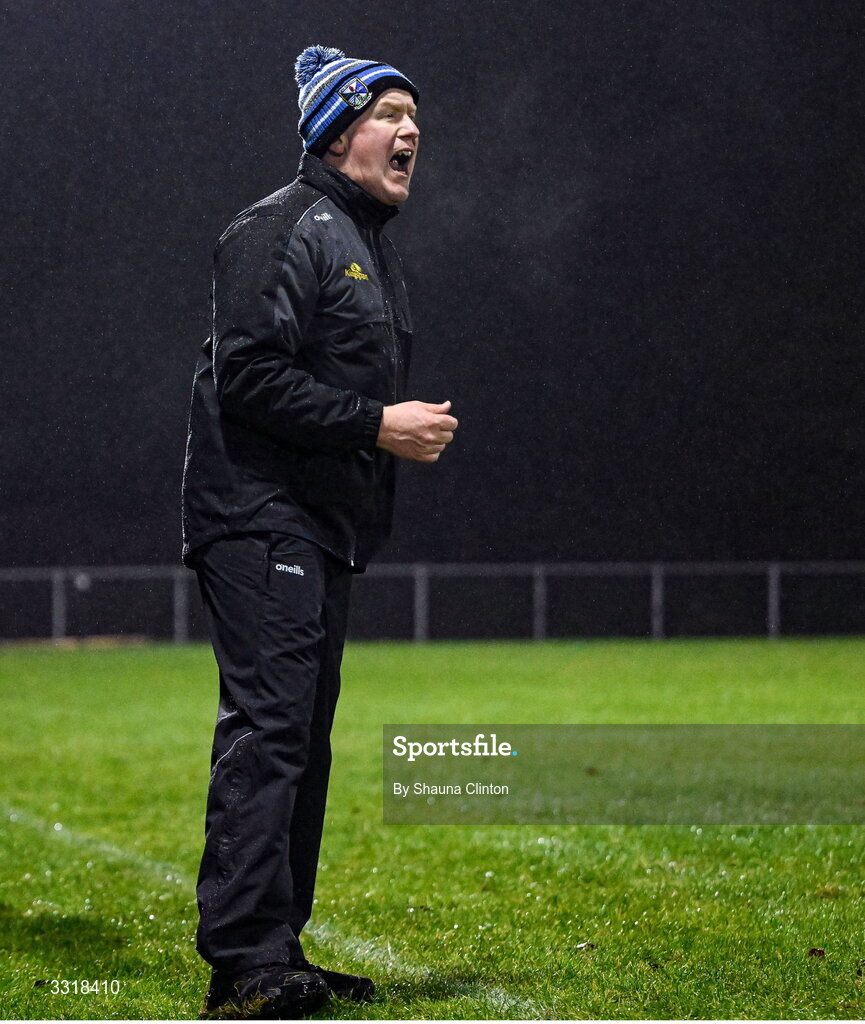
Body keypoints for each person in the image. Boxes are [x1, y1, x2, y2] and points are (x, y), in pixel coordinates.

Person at [181, 44, 457, 1019]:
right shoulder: (282, 224)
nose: (410, 129)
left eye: (414, 114)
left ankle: (276, 950)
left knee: (300, 737)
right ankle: (245, 962)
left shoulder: (363, 242)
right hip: (258, 516)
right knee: (269, 731)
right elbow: (247, 376)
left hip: (316, 526)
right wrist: (377, 424)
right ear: (336, 131)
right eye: (387, 112)